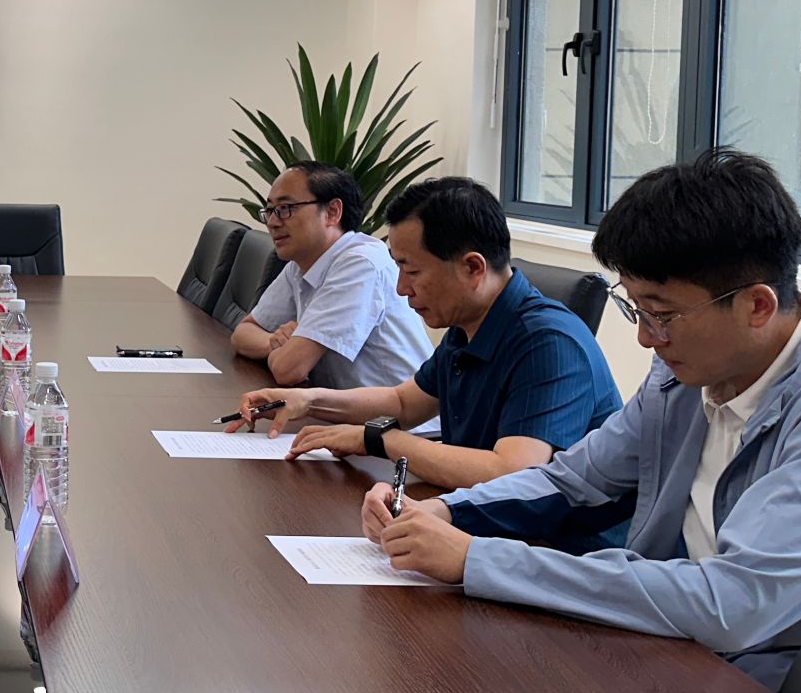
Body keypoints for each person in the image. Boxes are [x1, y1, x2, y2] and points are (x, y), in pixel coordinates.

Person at [361, 149, 801, 686]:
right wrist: (445, 513)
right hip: (677, 656)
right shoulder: (688, 375)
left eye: (663, 315)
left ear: (757, 305)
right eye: (637, 310)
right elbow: (575, 479)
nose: (647, 339)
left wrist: (478, 559)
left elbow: (734, 605)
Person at [234, 176, 619, 489]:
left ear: (473, 268)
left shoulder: (548, 342)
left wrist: (381, 441)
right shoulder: (469, 324)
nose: (401, 289)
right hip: (480, 518)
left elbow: (511, 472)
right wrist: (307, 400)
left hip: (557, 547)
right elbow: (403, 403)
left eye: (412, 271)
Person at [230, 162, 431, 389]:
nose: (273, 222)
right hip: (341, 406)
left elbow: (289, 369)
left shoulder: (360, 263)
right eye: (270, 211)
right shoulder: (301, 263)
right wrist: (274, 342)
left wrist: (288, 350)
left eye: (286, 208)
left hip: (399, 411)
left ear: (333, 212)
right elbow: (242, 333)